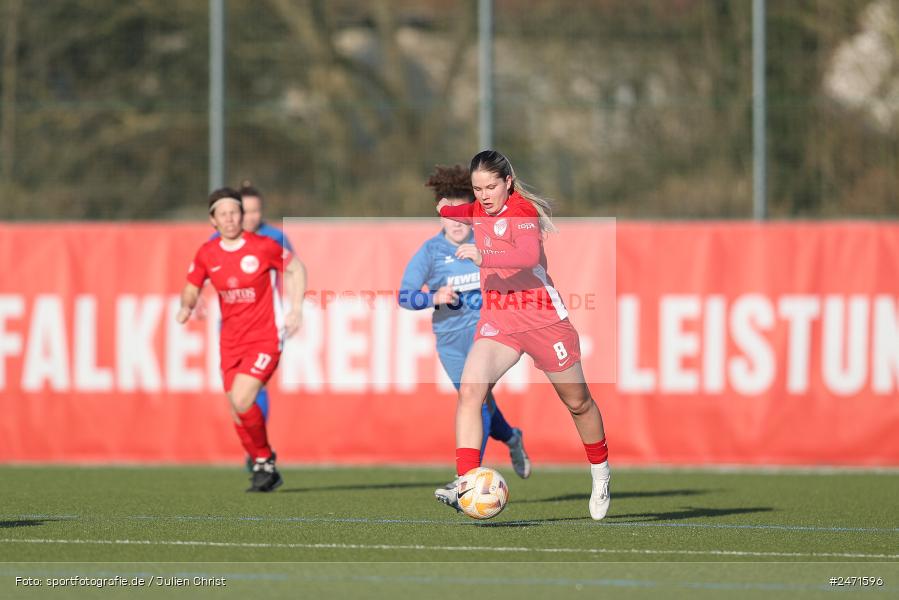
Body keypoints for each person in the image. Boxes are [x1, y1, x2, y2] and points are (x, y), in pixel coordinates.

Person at [434, 150, 611, 520]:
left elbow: (528, 256)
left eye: (491, 186)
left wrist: (484, 257)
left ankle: (601, 473)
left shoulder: (523, 213)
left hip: (544, 320)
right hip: (500, 319)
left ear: (508, 182)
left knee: (578, 403)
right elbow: (458, 212)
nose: (483, 195)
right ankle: (465, 481)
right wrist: (445, 210)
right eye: (477, 188)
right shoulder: (479, 208)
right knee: (470, 390)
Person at [398, 165, 531, 492]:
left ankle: (467, 478)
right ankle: (512, 437)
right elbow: (403, 296)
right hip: (450, 341)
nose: (457, 225)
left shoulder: (486, 240)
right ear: (440, 215)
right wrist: (432, 297)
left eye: (463, 218)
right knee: (478, 401)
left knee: (474, 397)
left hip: (487, 333)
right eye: (450, 218)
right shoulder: (430, 252)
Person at [176, 187, 306, 492]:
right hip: (230, 341)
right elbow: (192, 284)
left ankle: (263, 459)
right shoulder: (207, 253)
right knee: (236, 407)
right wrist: (187, 303)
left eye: (235, 212)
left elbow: (296, 268)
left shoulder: (263, 245)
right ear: (213, 220)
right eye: (224, 214)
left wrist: (296, 308)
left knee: (243, 397)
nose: (231, 219)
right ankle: (264, 463)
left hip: (265, 336)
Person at [205, 181, 295, 423]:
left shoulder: (275, 238)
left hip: (265, 325)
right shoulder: (218, 239)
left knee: (256, 387)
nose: (251, 217)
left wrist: (295, 310)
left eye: (256, 211)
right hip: (231, 326)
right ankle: (255, 448)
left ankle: (256, 455)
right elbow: (205, 275)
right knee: (236, 397)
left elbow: (293, 272)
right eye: (246, 211)